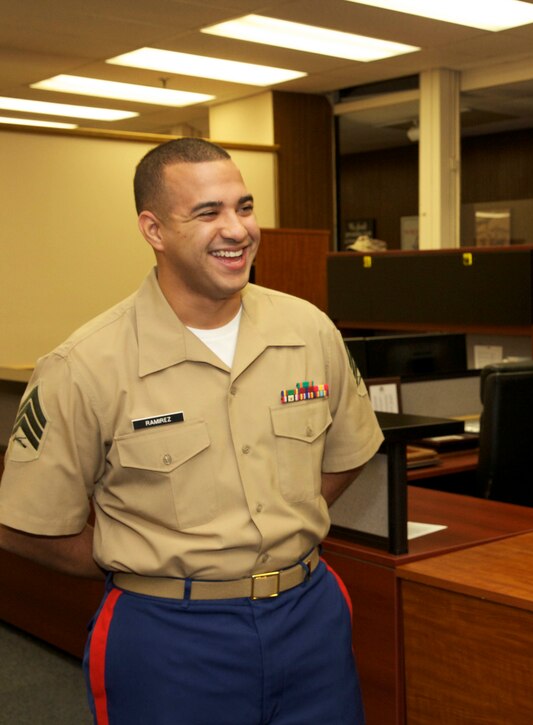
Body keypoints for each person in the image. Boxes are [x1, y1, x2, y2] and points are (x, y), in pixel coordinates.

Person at [0, 138, 383, 724]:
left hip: (309, 619)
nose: (236, 229)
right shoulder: (85, 364)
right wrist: (137, 558)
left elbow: (348, 451)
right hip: (169, 635)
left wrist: (279, 521)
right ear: (153, 230)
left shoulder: (309, 330)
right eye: (208, 213)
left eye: (244, 207)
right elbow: (30, 525)